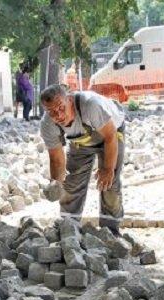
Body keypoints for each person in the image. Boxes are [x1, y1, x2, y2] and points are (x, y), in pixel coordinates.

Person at [39, 84, 126, 234]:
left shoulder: (90, 106)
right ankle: (69, 225)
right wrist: (56, 183)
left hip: (110, 134)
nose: (58, 115)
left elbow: (110, 137)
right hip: (81, 141)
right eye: (51, 111)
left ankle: (111, 229)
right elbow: (56, 159)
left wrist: (107, 169)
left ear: (70, 100)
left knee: (109, 184)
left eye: (61, 107)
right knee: (72, 183)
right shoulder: (48, 124)